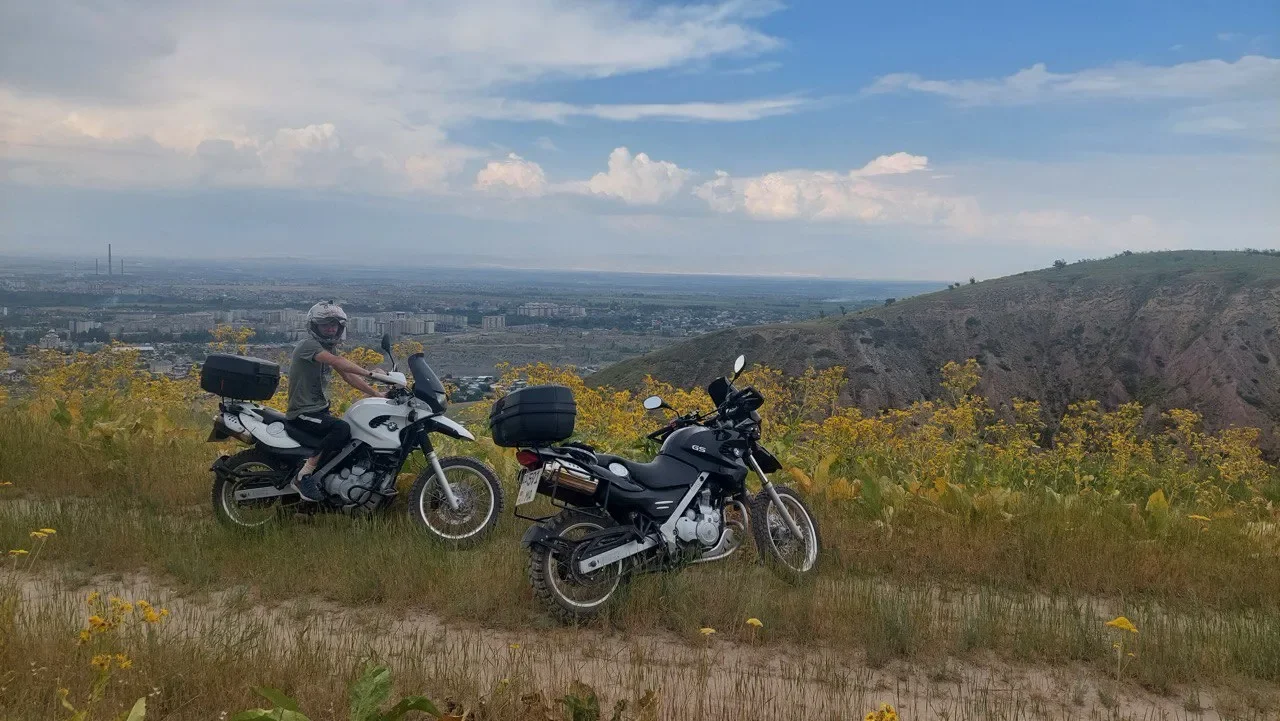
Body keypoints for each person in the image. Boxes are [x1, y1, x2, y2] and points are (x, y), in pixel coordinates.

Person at [287, 301, 384, 501]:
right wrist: (371, 373)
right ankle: (303, 476)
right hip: (302, 412)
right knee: (341, 429)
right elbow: (337, 363)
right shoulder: (309, 345)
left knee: (352, 440)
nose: (331, 328)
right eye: (326, 324)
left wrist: (376, 394)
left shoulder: (327, 349)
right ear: (314, 326)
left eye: (335, 325)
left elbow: (347, 376)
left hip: (319, 411)